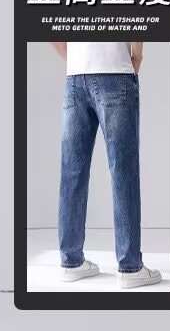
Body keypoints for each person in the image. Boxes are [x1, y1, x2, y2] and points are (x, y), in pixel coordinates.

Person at [50, 42, 162, 289]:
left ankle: (71, 262)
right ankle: (130, 267)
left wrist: (76, 60)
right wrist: (137, 56)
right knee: (123, 171)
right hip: (115, 70)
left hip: (75, 77)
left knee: (72, 172)